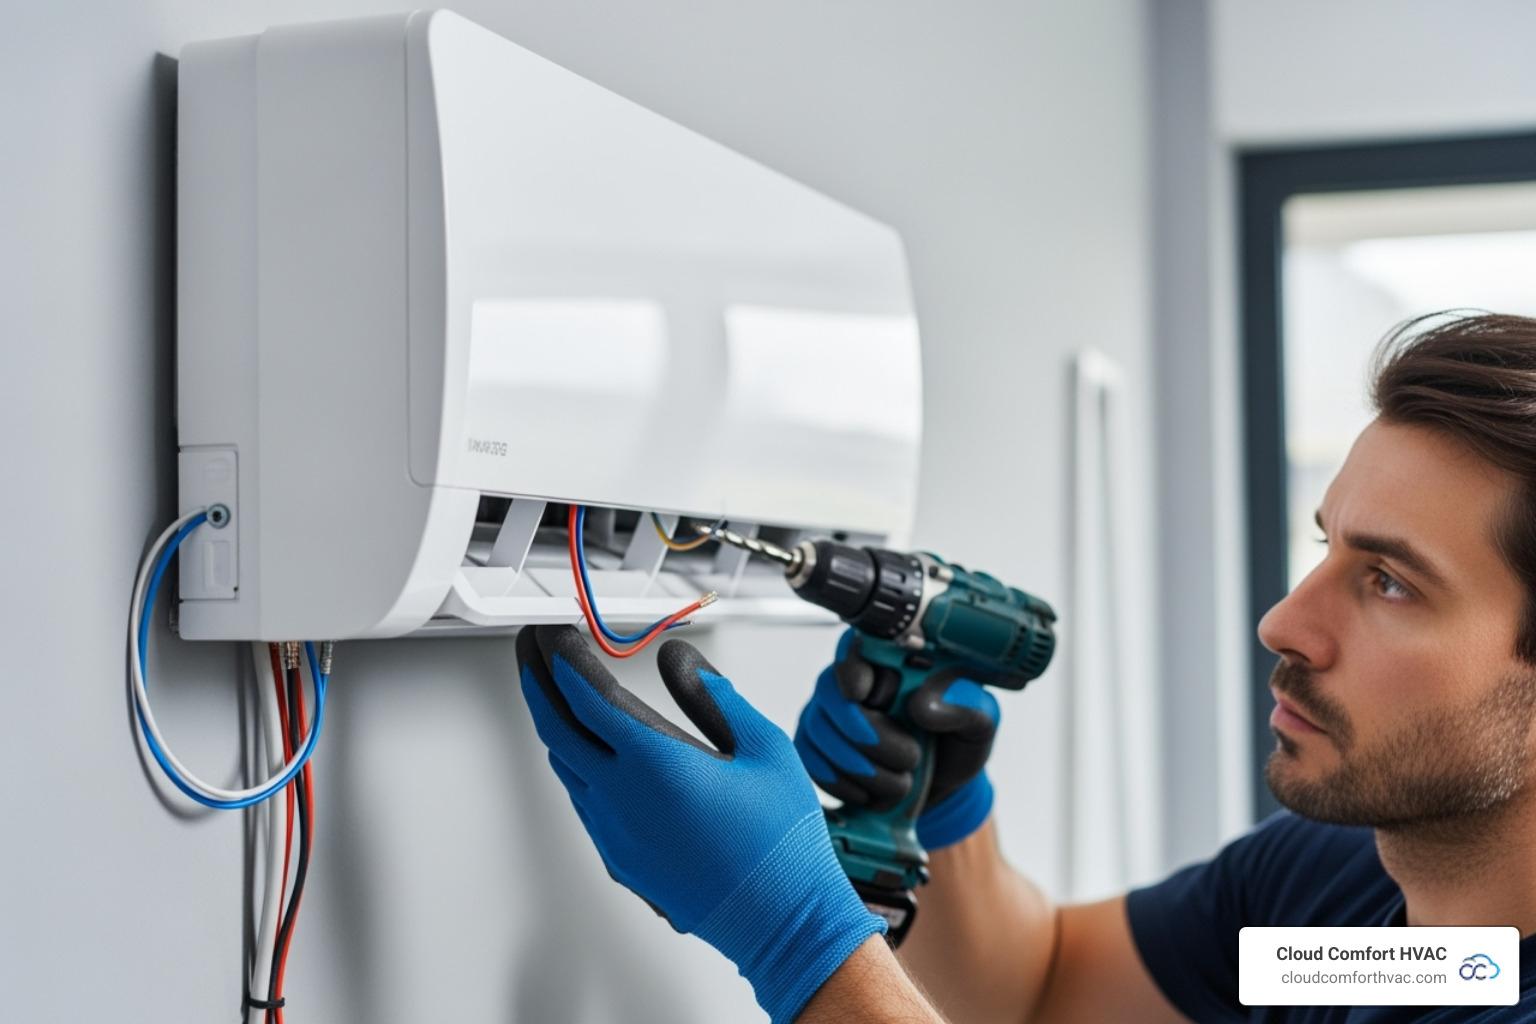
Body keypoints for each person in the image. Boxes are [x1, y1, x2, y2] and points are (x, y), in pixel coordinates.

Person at [516, 312, 1536, 1023]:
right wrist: (944, 816)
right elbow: (1043, 993)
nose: (1282, 623)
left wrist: (795, 932)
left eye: (1391, 582)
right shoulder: (1387, 930)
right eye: (1329, 550)